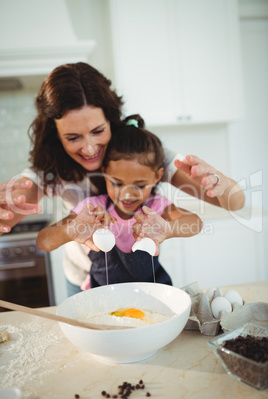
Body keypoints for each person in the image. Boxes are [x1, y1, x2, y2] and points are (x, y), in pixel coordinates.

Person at [0, 62, 245, 296]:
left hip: (146, 283)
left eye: (97, 131)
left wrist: (220, 182)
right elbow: (31, 231)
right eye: (73, 137)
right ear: (57, 134)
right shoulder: (50, 167)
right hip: (85, 282)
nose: (88, 148)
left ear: (111, 120)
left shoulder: (142, 154)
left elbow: (235, 202)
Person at [36, 119, 203, 289]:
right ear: (104, 172)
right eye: (117, 183)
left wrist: (169, 229)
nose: (127, 194)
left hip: (152, 298)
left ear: (157, 177)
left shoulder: (157, 207)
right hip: (103, 304)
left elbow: (196, 223)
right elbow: (44, 242)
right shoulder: (92, 209)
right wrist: (70, 230)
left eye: (139, 185)